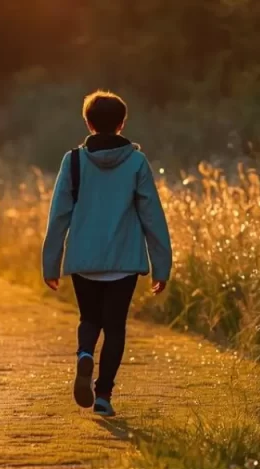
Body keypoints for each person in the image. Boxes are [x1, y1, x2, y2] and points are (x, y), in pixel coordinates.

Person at [42, 90, 173, 417]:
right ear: (121, 123)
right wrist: (162, 265)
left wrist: (51, 263)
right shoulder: (137, 162)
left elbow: (59, 214)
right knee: (115, 327)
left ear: (87, 122)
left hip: (84, 260)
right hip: (124, 260)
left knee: (89, 319)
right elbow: (152, 215)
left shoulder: (73, 161)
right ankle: (103, 396)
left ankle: (85, 352)